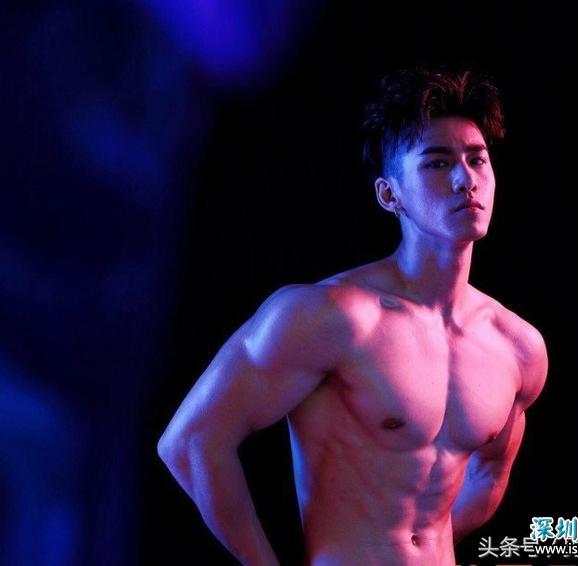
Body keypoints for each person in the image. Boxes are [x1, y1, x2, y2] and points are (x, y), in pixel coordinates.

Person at [157, 65, 549, 566]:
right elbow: (192, 442)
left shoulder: (517, 346)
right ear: (390, 194)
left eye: (477, 159)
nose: (465, 179)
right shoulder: (331, 317)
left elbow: (490, 475)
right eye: (437, 162)